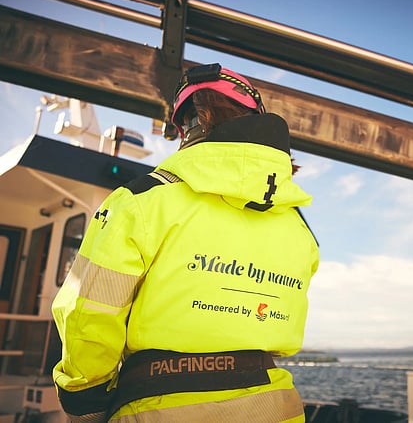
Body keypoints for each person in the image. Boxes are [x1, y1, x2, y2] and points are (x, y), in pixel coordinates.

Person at [51, 63, 320, 422]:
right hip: (277, 408)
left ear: (185, 128)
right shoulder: (298, 224)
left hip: (157, 407)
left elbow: (89, 314)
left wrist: (83, 401)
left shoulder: (141, 200)